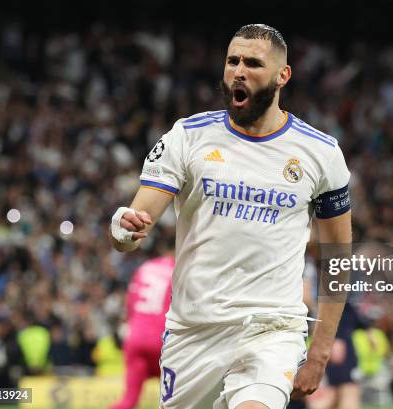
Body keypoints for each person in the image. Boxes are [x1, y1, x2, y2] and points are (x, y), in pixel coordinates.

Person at [110, 23, 352, 409]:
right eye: (232, 61)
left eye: (253, 63)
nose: (239, 70)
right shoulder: (186, 137)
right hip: (194, 333)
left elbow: (338, 256)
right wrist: (124, 229)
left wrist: (320, 350)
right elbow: (133, 223)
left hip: (271, 330)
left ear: (282, 75)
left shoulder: (320, 153)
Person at [110, 252, 174, 409]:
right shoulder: (178, 269)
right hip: (163, 342)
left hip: (135, 338)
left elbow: (130, 305)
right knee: (174, 402)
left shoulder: (145, 268)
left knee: (128, 401)